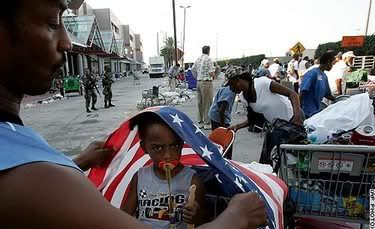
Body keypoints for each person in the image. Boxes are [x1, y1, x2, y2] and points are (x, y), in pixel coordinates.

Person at [0, 1, 267, 227]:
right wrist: (234, 217)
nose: (67, 43)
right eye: (51, 22)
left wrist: (77, 161)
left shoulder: (21, 152)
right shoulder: (32, 176)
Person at [122, 112, 207, 228]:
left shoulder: (193, 181)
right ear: (144, 148)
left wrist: (196, 216)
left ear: (182, 143)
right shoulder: (140, 177)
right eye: (157, 148)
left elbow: (204, 219)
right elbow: (124, 215)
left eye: (174, 145)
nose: (167, 155)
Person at [225, 66, 303, 165]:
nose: (231, 89)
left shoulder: (263, 83)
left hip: (292, 119)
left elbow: (293, 94)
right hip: (278, 128)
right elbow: (253, 119)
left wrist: (297, 118)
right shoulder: (243, 98)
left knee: (293, 161)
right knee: (276, 161)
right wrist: (238, 126)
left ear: (238, 80)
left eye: (231, 85)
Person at [300, 51, 336, 118]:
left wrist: (338, 100)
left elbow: (327, 94)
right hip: (307, 111)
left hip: (316, 110)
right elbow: (303, 91)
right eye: (332, 63)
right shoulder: (312, 73)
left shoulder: (324, 76)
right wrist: (299, 111)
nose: (332, 66)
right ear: (328, 62)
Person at [208, 84, 236, 159]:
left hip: (214, 114)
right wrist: (223, 126)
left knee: (218, 140)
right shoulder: (229, 92)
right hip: (218, 116)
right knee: (226, 140)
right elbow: (221, 110)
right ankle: (226, 160)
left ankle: (219, 157)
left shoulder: (226, 88)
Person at [191, 46, 216, 130]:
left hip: (199, 82)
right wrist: (214, 76)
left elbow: (193, 69)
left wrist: (197, 77)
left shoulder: (198, 59)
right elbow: (211, 72)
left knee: (200, 103)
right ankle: (207, 123)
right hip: (206, 82)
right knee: (207, 103)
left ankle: (200, 122)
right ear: (208, 51)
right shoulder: (208, 59)